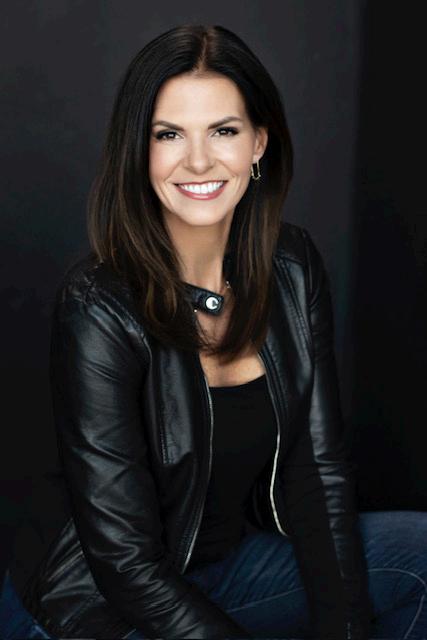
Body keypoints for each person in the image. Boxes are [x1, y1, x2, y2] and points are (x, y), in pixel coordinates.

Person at [1, 23, 426, 640]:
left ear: (259, 143)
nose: (198, 160)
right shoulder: (97, 306)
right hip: (97, 604)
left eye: (223, 131)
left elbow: (317, 472)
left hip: (226, 571)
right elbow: (125, 565)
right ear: (139, 151)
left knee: (419, 556)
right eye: (168, 134)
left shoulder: (292, 267)